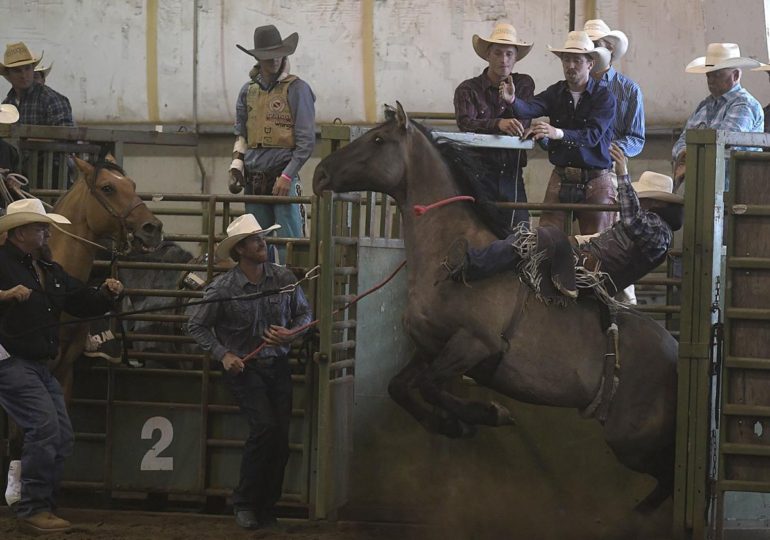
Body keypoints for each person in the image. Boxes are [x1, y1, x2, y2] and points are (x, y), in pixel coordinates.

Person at [0, 198, 124, 535]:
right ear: (20, 231)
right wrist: (5, 295)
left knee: (59, 433)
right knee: (44, 428)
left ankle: (43, 505)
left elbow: (79, 300)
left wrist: (105, 295)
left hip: (37, 362)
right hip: (10, 359)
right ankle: (34, 508)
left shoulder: (50, 271)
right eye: (41, 227)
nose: (46, 232)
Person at [187, 214, 312, 530]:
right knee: (266, 428)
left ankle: (266, 507)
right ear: (240, 249)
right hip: (245, 370)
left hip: (278, 366)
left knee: (279, 438)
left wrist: (291, 334)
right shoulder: (224, 289)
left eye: (263, 238)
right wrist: (224, 354)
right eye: (256, 240)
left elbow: (304, 314)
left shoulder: (283, 278)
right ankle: (245, 502)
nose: (263, 243)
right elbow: (196, 324)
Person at [443, 145, 684, 300]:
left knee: (527, 241)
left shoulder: (656, 231)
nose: (639, 202)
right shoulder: (654, 229)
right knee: (534, 239)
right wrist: (576, 240)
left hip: (591, 268)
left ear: (657, 204)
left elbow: (631, 221)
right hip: (589, 259)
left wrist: (622, 174)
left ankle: (470, 265)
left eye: (644, 199)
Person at [505, 31, 616, 235]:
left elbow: (591, 137)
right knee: (545, 239)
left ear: (590, 64)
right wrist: (513, 101)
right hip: (562, 173)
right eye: (566, 60)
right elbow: (529, 108)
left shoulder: (604, 97)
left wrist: (556, 133)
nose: (570, 66)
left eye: (577, 60)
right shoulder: (555, 92)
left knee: (597, 244)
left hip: (595, 176)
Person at [229, 25, 316, 262]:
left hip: (281, 175)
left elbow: (306, 141)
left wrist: (287, 176)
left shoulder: (298, 89)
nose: (274, 60)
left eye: (278, 54)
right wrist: (237, 164)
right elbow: (241, 133)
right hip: (254, 177)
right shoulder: (248, 92)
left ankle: (292, 295)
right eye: (268, 55)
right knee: (256, 247)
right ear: (259, 58)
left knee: (290, 245)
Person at [453, 22, 535, 228]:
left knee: (520, 233)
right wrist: (498, 123)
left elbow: (523, 122)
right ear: (488, 56)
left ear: (516, 58)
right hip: (477, 175)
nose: (504, 60)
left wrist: (510, 105)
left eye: (509, 54)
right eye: (498, 53)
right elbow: (465, 123)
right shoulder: (467, 89)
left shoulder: (524, 84)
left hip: (511, 173)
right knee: (476, 232)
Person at [672, 43, 763, 189]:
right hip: (703, 188)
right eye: (708, 75)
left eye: (717, 74)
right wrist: (686, 152)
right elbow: (681, 141)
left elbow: (723, 141)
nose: (711, 80)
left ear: (735, 75)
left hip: (731, 191)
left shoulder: (745, 105)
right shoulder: (704, 105)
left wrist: (686, 156)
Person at [584, 19, 645, 166]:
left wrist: (607, 148)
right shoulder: (574, 86)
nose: (591, 51)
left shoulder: (630, 90)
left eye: (596, 45)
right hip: (574, 163)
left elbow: (636, 138)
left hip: (610, 165)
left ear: (610, 48)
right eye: (587, 47)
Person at [1, 43, 73, 127]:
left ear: (33, 69)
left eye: (27, 68)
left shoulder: (51, 99)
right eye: (17, 71)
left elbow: (65, 137)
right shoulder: (7, 103)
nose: (23, 75)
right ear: (8, 75)